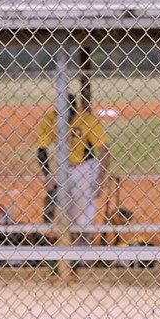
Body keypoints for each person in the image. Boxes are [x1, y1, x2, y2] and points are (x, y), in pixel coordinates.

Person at [36, 93, 110, 245]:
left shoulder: (87, 119)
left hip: (85, 168)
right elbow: (41, 149)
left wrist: (99, 180)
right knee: (65, 214)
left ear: (75, 109)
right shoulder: (50, 119)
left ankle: (82, 248)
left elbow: (104, 151)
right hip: (63, 168)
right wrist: (48, 175)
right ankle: (69, 248)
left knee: (83, 216)